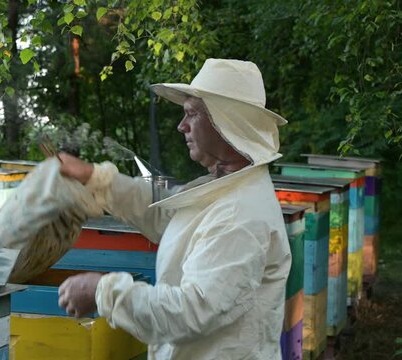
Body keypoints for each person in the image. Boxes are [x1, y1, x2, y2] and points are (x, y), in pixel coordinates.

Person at [57, 58, 291, 359]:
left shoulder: (239, 213)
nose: (181, 126)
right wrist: (94, 178)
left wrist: (103, 291)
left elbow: (192, 311)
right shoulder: (225, 187)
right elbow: (166, 214)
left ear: (225, 122)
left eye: (192, 114)